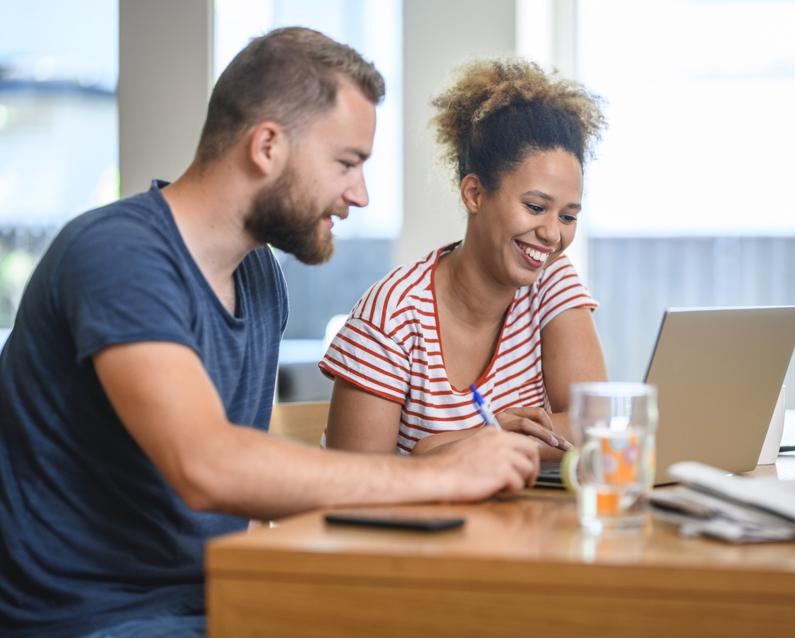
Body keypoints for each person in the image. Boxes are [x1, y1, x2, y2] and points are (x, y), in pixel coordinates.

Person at [0, 28, 539, 638]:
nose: (358, 195)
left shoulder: (257, 277)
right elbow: (208, 467)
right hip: (96, 621)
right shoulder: (118, 255)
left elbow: (242, 506)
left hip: (224, 595)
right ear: (267, 146)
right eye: (346, 163)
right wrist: (438, 476)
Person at [321, 59, 607, 458]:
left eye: (568, 216)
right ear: (474, 194)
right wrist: (479, 444)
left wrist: (451, 446)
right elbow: (352, 485)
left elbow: (597, 426)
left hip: (523, 519)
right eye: (535, 206)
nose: (552, 234)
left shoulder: (552, 281)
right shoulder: (392, 315)